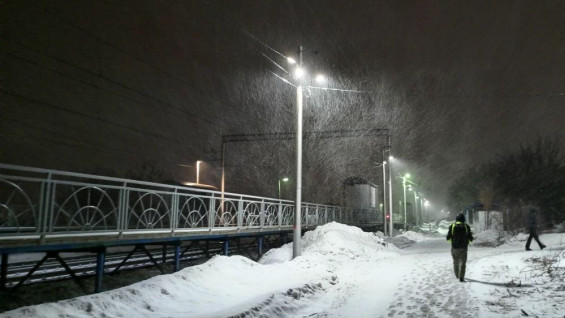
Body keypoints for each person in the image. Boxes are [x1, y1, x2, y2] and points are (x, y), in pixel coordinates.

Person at [446, 213, 474, 282]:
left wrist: (452, 242)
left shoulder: (452, 226)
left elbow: (448, 237)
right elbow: (470, 238)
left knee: (456, 262)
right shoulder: (466, 226)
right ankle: (461, 277)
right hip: (463, 248)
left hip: (454, 248)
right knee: (463, 263)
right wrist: (469, 240)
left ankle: (457, 275)